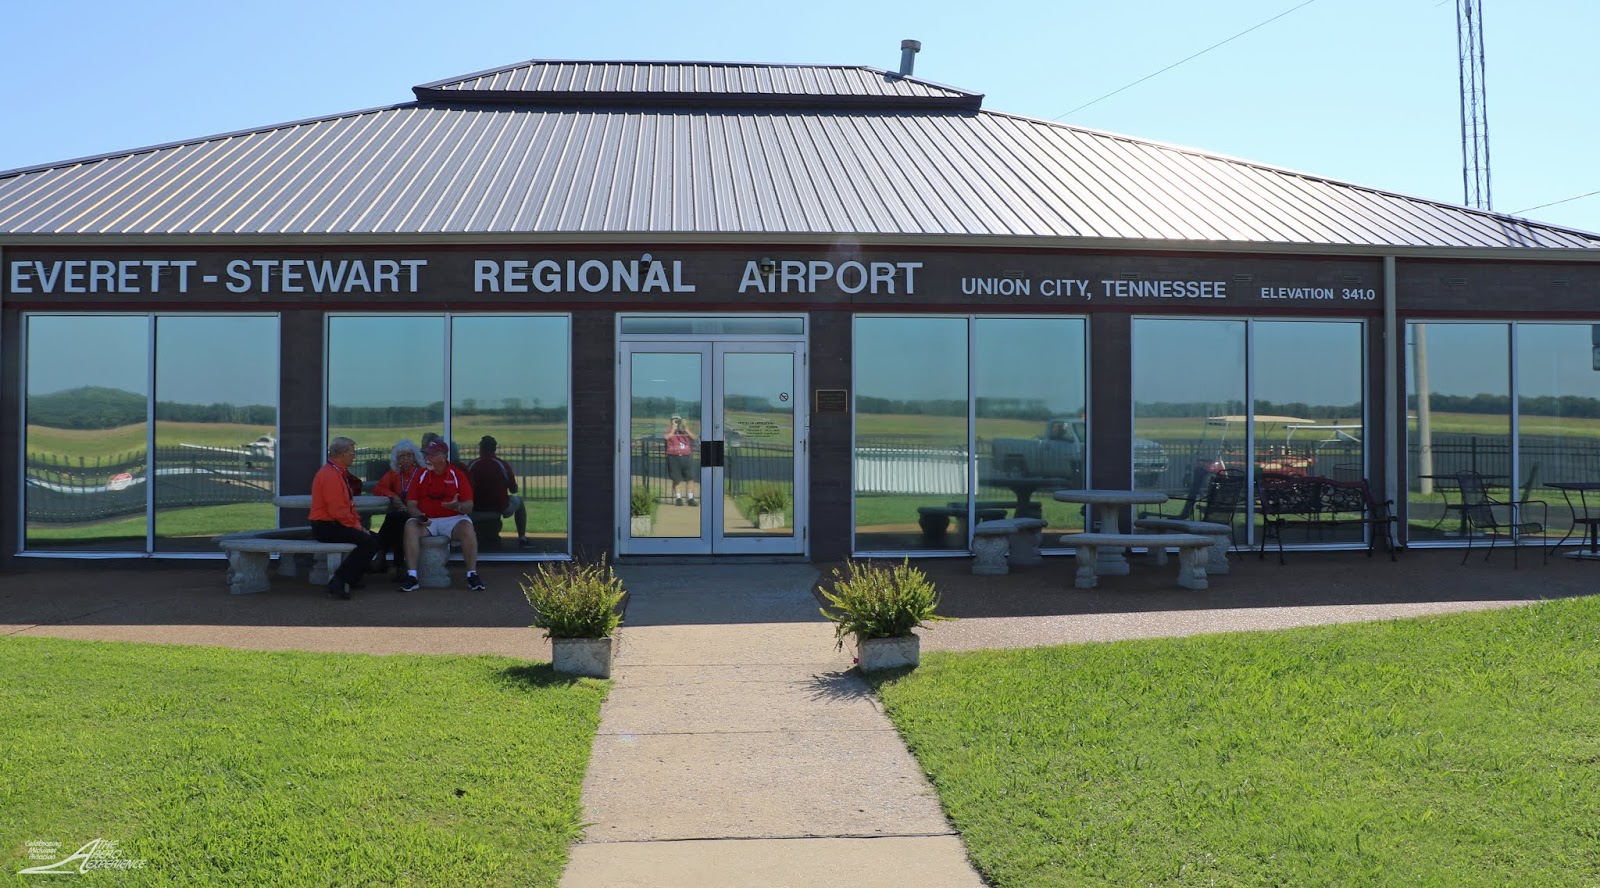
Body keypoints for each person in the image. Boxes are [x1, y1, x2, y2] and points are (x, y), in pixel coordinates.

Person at [399, 438, 485, 592]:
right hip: (428, 520)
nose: (427, 459)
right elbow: (411, 504)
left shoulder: (457, 474)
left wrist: (456, 506)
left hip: (453, 520)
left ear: (444, 457)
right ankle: (412, 576)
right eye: (426, 455)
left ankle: (472, 574)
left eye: (431, 455)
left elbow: (469, 506)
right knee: (410, 526)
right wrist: (419, 516)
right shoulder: (420, 474)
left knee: (467, 528)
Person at [309, 436, 380, 600]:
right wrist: (357, 527)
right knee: (369, 542)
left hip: (333, 524)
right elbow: (338, 511)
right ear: (342, 454)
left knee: (374, 539)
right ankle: (339, 581)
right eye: (352, 453)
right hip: (327, 526)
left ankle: (351, 577)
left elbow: (346, 508)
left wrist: (357, 525)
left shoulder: (335, 472)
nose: (354, 456)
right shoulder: (331, 475)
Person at [371, 438, 423, 576]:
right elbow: (377, 488)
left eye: (409, 455)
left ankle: (382, 554)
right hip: (401, 516)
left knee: (394, 519)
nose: (406, 459)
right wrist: (392, 495)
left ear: (415, 457)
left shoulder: (421, 473)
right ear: (397, 459)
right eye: (402, 456)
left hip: (418, 513)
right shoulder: (394, 474)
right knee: (397, 521)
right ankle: (398, 565)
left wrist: (410, 508)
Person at [468, 435, 531, 547]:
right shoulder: (502, 465)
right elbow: (514, 489)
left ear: (481, 449)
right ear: (495, 449)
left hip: (475, 508)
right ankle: (522, 537)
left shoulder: (472, 465)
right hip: (500, 507)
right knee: (519, 501)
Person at [664, 414, 699, 506]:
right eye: (674, 420)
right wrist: (673, 428)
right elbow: (667, 437)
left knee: (690, 478)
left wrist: (686, 428)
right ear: (671, 421)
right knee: (676, 479)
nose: (677, 422)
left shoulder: (685, 430)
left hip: (686, 456)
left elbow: (694, 437)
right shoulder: (668, 430)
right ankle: (678, 498)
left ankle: (690, 498)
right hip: (674, 457)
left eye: (678, 420)